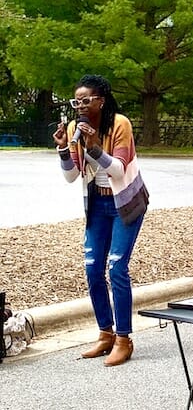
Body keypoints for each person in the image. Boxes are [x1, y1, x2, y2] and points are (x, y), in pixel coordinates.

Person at [53, 74, 149, 366]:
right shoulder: (74, 128)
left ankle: (124, 339)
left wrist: (94, 146)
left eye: (85, 100)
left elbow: (118, 170)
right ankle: (105, 335)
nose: (79, 106)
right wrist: (62, 148)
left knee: (117, 267)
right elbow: (71, 176)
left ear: (101, 101)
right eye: (76, 101)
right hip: (96, 203)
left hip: (125, 203)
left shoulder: (120, 123)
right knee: (93, 269)